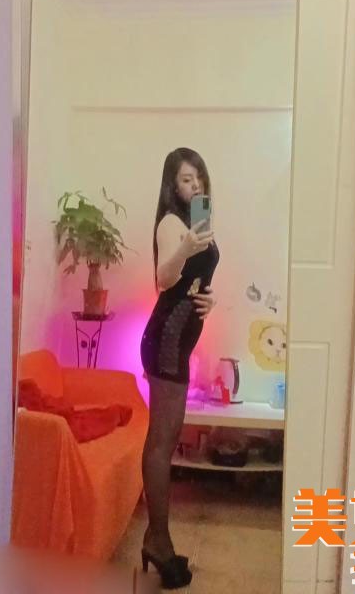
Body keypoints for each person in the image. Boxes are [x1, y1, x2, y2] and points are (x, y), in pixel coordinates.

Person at [139, 147, 220, 589]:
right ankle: (159, 542)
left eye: (199, 178)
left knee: (164, 441)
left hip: (175, 344)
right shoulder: (172, 224)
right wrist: (186, 248)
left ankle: (157, 537)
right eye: (187, 180)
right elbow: (164, 279)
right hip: (165, 343)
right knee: (161, 444)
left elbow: (192, 282)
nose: (195, 185)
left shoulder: (196, 222)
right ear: (173, 185)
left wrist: (209, 298)